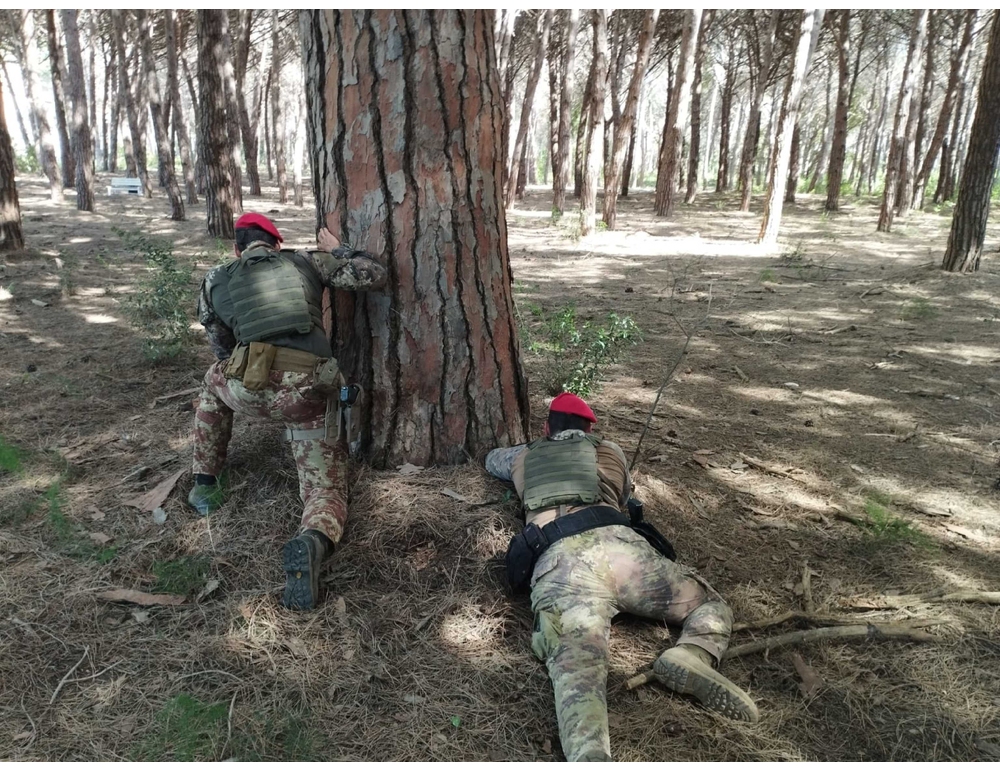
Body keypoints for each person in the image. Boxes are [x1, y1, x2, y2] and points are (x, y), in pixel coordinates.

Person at [485, 392, 758, 762]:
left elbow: (491, 460)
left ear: (548, 427)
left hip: (562, 559)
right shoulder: (611, 451)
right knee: (708, 604)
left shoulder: (523, 456)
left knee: (576, 668)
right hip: (624, 550)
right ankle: (692, 653)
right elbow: (625, 494)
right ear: (590, 429)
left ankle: (591, 755)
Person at [189, 212, 386, 611]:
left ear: (237, 248)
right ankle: (312, 540)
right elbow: (373, 274)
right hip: (308, 393)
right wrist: (339, 250)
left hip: (247, 388)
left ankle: (205, 483)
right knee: (324, 489)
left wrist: (250, 381)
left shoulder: (216, 278)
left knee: (212, 382)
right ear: (277, 244)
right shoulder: (307, 260)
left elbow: (220, 345)